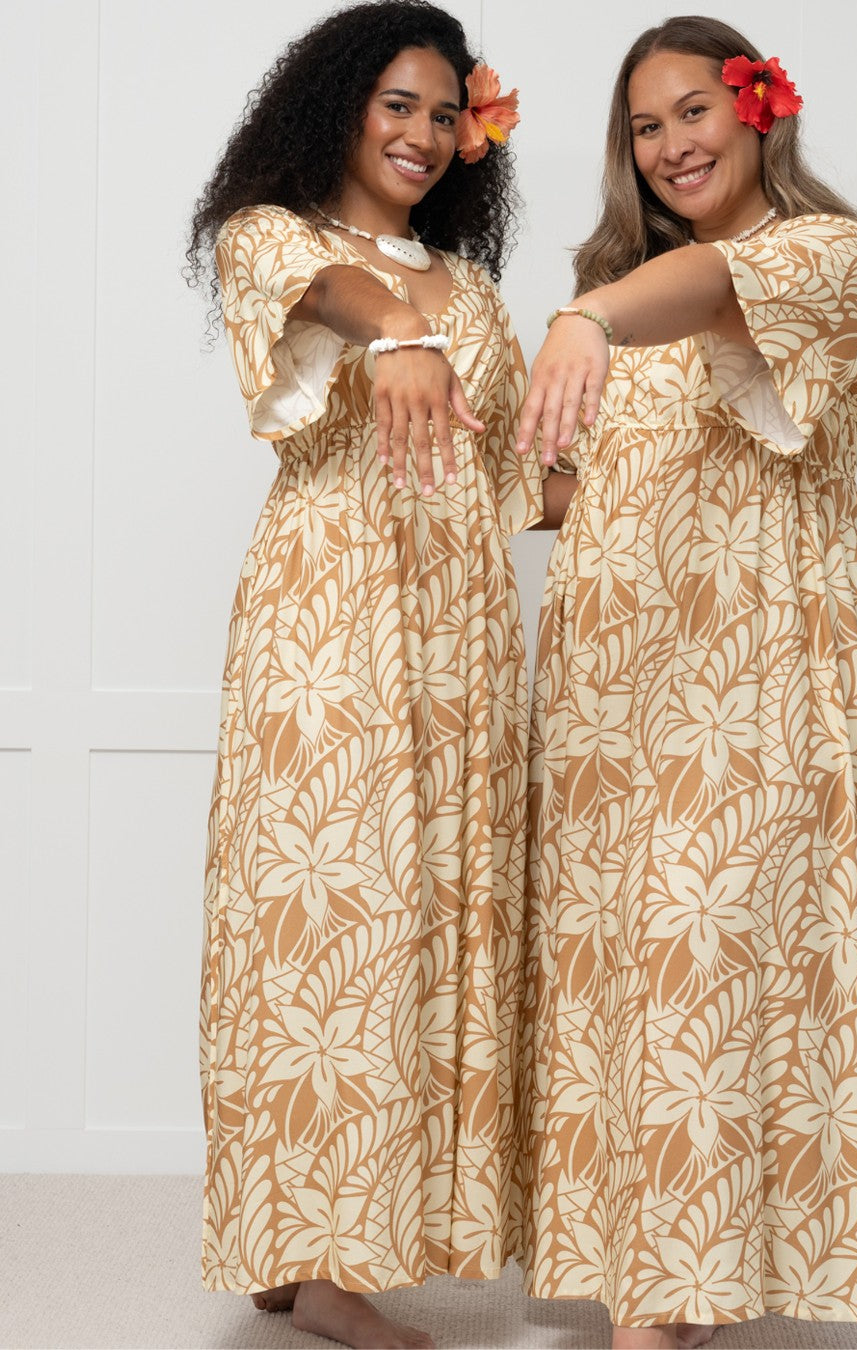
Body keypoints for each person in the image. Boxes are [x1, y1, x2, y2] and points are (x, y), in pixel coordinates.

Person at [514, 17, 857, 1349]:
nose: (673, 143)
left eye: (694, 111)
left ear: (756, 112)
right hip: (613, 693)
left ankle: (666, 1310)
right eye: (644, 127)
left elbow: (721, 291)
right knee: (634, 978)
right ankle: (663, 1270)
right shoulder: (628, 291)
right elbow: (568, 495)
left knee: (704, 955)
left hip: (752, 680)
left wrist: (580, 317)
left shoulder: (826, 260)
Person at [185, 4, 539, 1346]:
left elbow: (513, 482)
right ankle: (325, 1266)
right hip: (332, 629)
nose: (426, 133)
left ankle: (319, 1241)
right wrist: (393, 320)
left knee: (434, 918)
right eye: (399, 103)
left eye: (447, 112)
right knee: (335, 923)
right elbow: (331, 297)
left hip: (464, 644)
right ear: (339, 103)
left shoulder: (481, 295)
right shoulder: (274, 241)